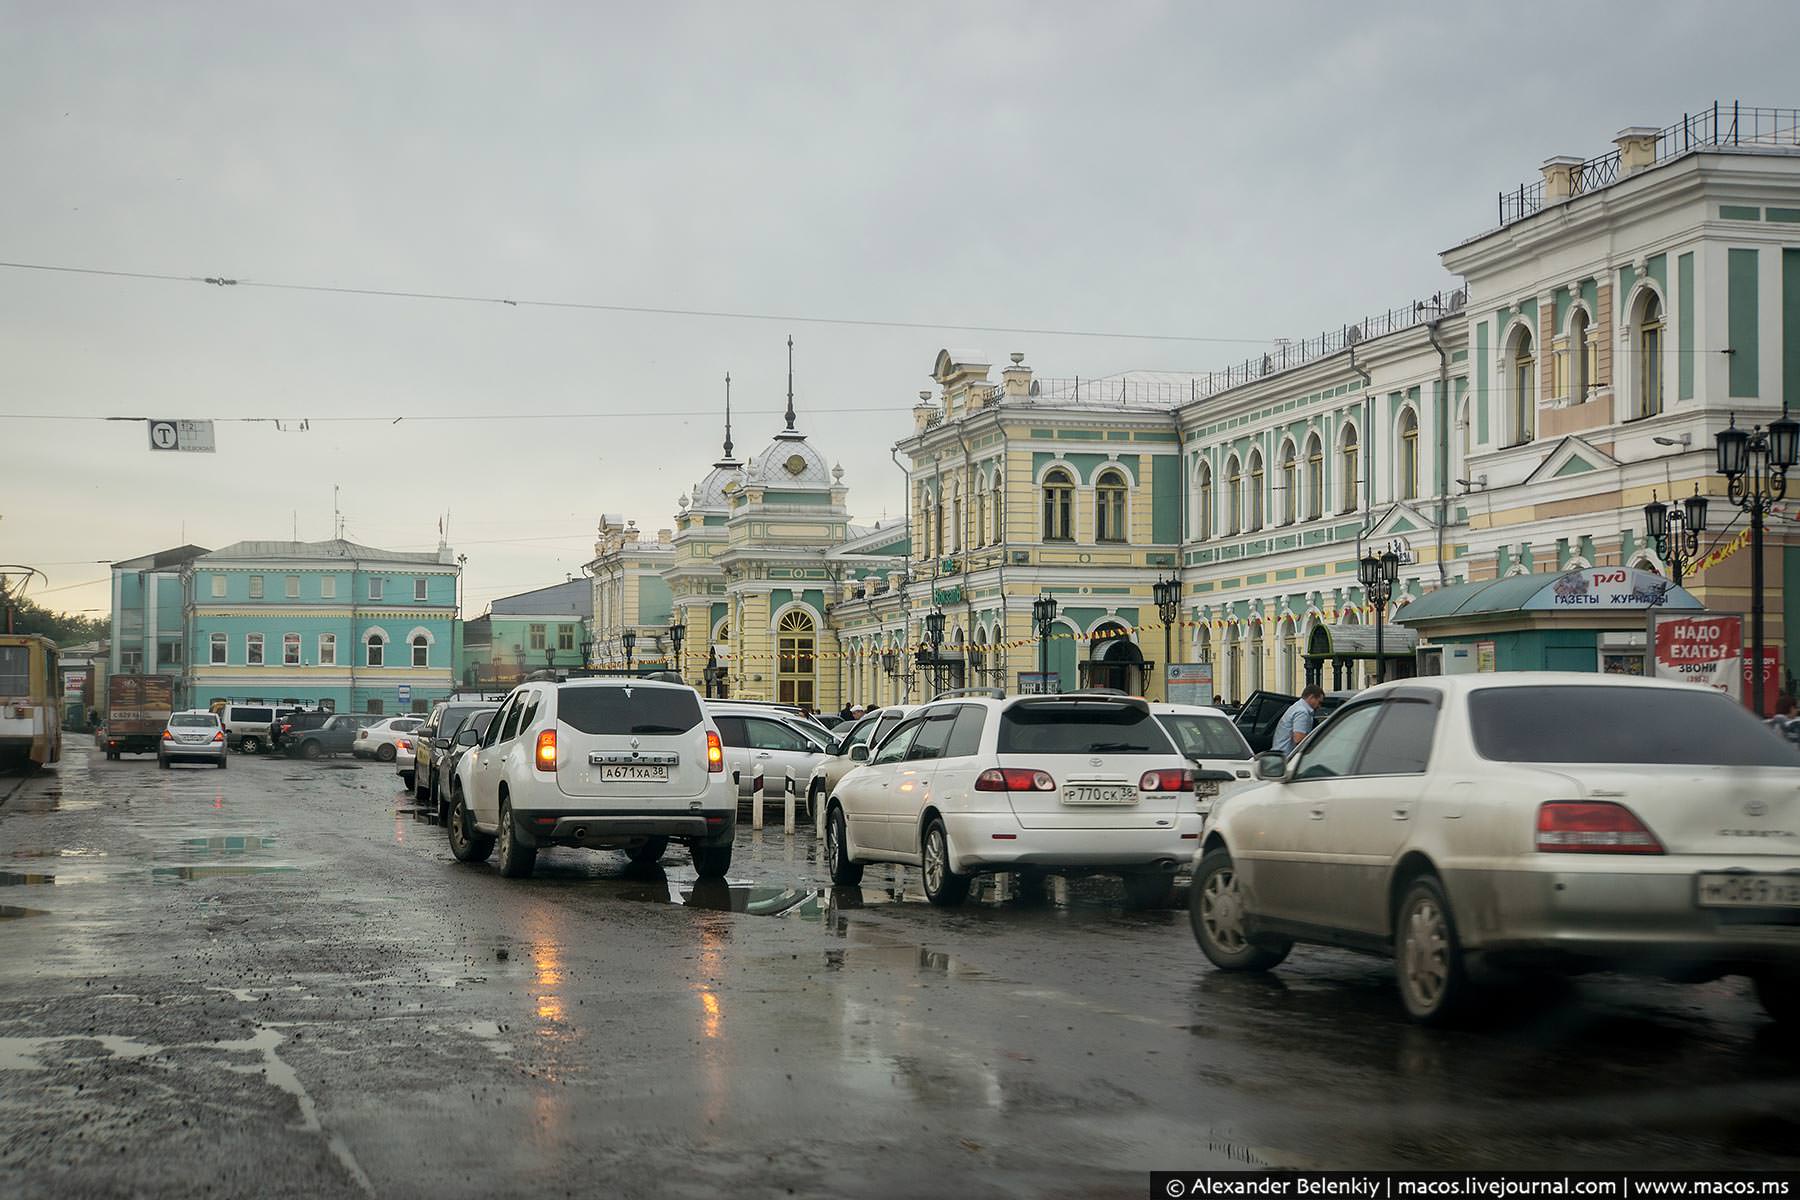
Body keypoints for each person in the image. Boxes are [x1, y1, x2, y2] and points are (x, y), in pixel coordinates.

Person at [1272, 685, 1326, 756]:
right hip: (1287, 758)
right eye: (1319, 702)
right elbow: (1299, 739)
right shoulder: (1302, 712)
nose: (1319, 706)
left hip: (1280, 755)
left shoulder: (1297, 707)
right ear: (1311, 697)